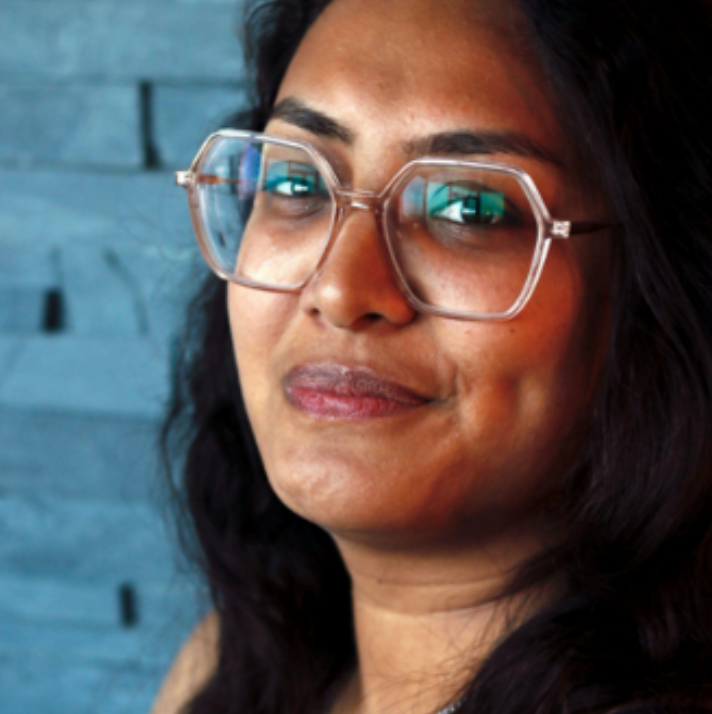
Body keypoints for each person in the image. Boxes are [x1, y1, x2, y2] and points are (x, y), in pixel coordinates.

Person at [152, 0, 712, 713]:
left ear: (656, 290)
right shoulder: (230, 663)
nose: (339, 290)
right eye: (296, 183)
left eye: (467, 208)